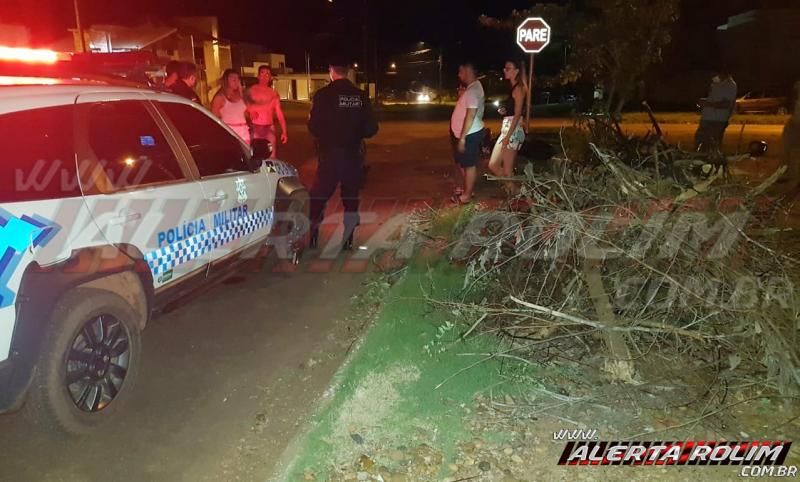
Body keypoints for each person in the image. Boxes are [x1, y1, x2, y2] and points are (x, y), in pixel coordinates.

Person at [307, 56, 378, 250]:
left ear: (331, 70)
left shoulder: (322, 95)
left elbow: (313, 127)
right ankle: (348, 240)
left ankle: (313, 234)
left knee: (319, 196)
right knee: (351, 197)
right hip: (352, 155)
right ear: (348, 71)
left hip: (329, 155)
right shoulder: (360, 96)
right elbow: (372, 129)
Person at [488, 59, 528, 194]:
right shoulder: (512, 88)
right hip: (507, 128)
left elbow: (517, 115)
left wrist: (508, 136)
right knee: (493, 164)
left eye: (508, 68)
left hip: (513, 130)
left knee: (507, 169)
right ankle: (515, 191)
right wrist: (505, 112)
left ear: (516, 71)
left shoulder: (519, 89)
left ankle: (515, 197)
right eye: (505, 68)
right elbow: (513, 112)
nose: (505, 71)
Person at [449, 62, 485, 204]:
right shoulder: (473, 88)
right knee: (463, 163)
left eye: (460, 71)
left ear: (467, 71)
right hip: (467, 133)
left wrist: (462, 138)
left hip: (469, 134)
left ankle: (467, 195)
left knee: (469, 164)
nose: (459, 75)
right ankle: (468, 189)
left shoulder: (472, 91)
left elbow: (470, 115)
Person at [247, 66, 288, 158]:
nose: (265, 76)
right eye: (262, 73)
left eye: (267, 74)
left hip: (269, 128)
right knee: (255, 156)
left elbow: (279, 113)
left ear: (270, 78)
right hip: (255, 127)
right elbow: (243, 108)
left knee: (271, 157)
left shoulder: (273, 93)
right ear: (258, 76)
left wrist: (284, 131)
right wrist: (250, 112)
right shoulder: (251, 90)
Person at [695, 70, 737, 152]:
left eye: (715, 74)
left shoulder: (730, 85)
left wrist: (708, 104)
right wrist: (704, 101)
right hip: (707, 118)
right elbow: (714, 99)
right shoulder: (714, 84)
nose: (713, 77)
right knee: (700, 140)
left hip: (718, 119)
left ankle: (712, 161)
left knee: (713, 143)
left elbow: (727, 104)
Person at [211, 69, 250, 144]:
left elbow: (249, 110)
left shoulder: (241, 95)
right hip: (229, 134)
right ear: (226, 81)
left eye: (238, 79)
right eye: (233, 79)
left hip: (244, 133)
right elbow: (214, 119)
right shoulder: (220, 97)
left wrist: (241, 90)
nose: (236, 82)